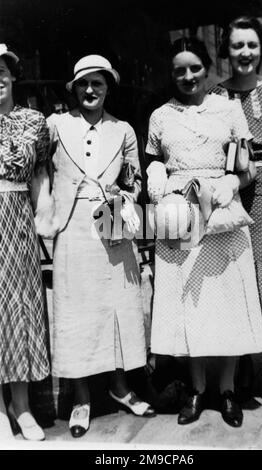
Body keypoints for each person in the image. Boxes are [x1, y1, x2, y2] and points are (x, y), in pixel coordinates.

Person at [145, 37, 262, 428]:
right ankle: (198, 390)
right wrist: (156, 175)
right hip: (180, 214)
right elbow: (154, 163)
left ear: (208, 69)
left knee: (228, 303)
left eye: (194, 68)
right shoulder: (160, 116)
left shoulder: (229, 110)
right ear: (171, 74)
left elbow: (248, 167)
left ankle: (228, 390)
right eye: (179, 70)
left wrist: (232, 183)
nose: (187, 76)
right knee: (190, 307)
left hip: (222, 214)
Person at [47, 54, 155, 438]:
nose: (90, 90)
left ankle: (121, 387)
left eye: (98, 83)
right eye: (83, 84)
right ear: (74, 88)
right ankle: (81, 398)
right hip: (72, 227)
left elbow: (136, 178)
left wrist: (124, 193)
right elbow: (43, 174)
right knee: (76, 311)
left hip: (110, 220)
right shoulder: (56, 125)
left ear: (109, 87)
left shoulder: (123, 130)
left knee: (118, 306)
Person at [211, 16, 262, 406]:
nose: (245, 53)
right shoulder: (215, 96)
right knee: (239, 275)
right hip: (235, 189)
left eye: (252, 45)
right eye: (237, 45)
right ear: (227, 51)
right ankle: (241, 371)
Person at [0, 43, 56, 441]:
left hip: (17, 218)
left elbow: (40, 177)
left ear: (13, 74)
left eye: (1, 70)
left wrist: (44, 223)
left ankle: (21, 406)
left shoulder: (35, 121)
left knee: (19, 308)